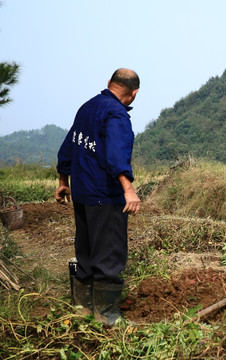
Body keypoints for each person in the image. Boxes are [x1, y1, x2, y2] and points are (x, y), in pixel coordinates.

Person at [55, 68, 141, 326]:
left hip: (81, 194)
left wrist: (63, 181)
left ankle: (82, 310)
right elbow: (116, 154)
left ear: (109, 83)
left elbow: (68, 145)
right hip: (105, 196)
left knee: (86, 250)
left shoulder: (87, 107)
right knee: (109, 253)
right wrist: (128, 188)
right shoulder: (116, 114)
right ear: (134, 93)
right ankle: (107, 316)